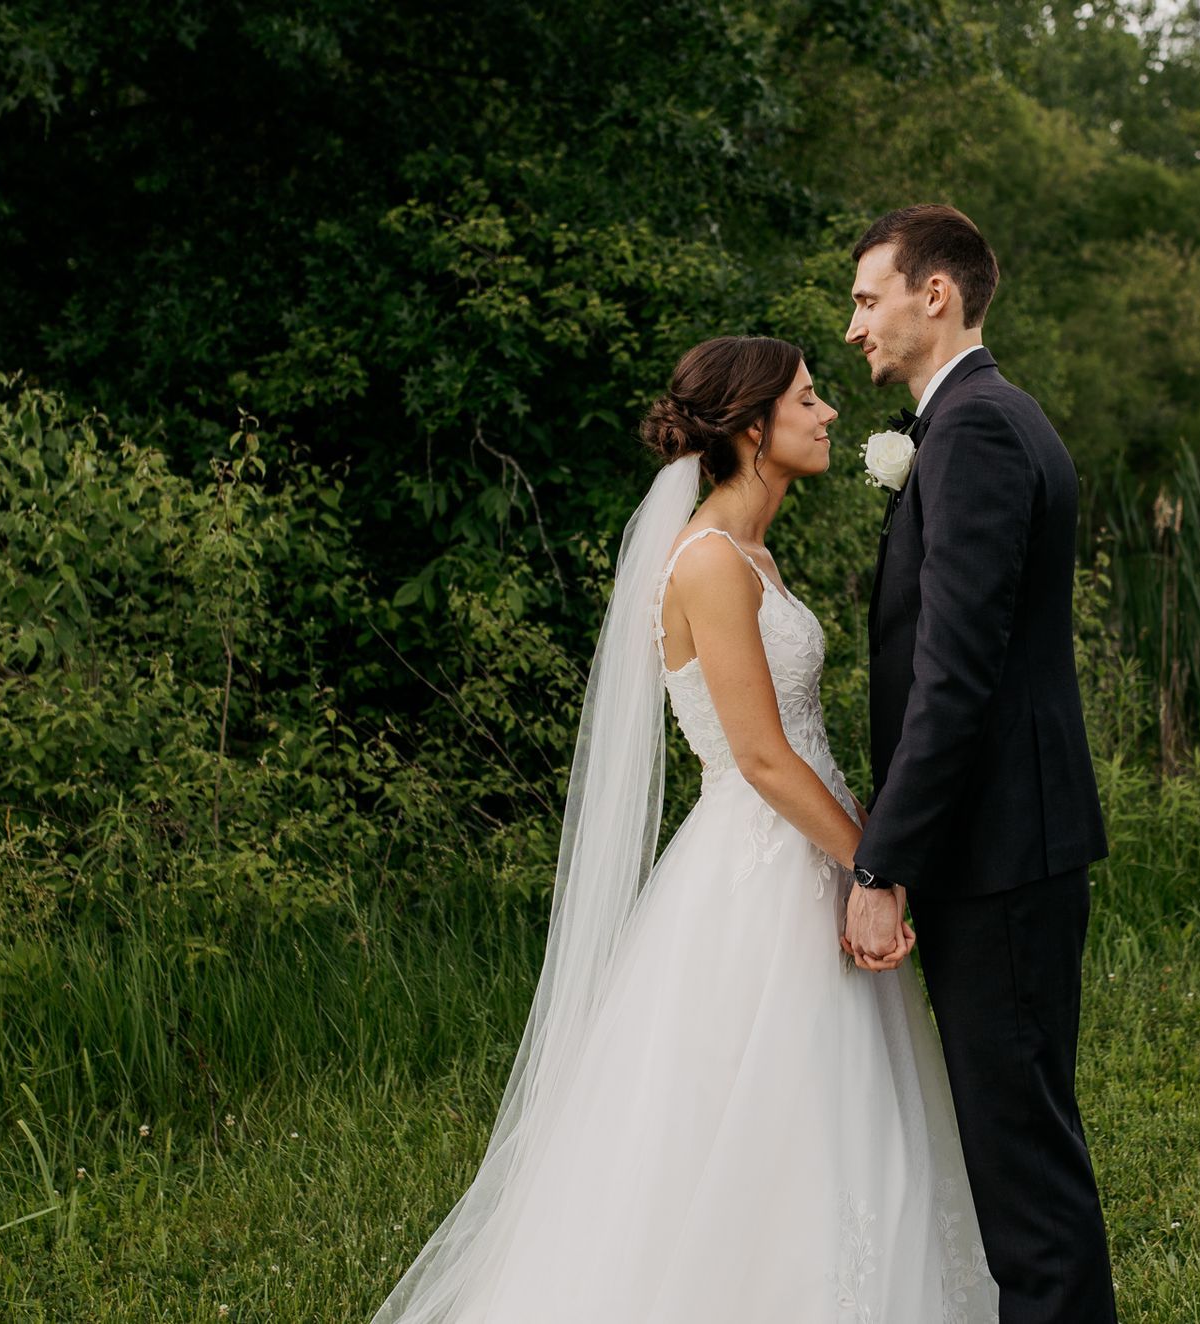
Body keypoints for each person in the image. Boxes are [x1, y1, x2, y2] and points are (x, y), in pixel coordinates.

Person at [370, 334, 999, 1322]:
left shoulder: (754, 550)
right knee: (761, 1111)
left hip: (807, 852)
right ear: (752, 427)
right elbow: (756, 757)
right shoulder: (709, 562)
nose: (829, 412)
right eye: (806, 399)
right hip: (757, 870)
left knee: (834, 1112)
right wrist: (875, 862)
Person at [845, 204, 1118, 1324]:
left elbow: (955, 675)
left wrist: (880, 865)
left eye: (869, 298)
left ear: (935, 294)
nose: (855, 325)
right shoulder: (984, 418)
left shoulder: (974, 431)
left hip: (1001, 853)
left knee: (1024, 1174)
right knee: (1024, 1151)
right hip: (1012, 843)